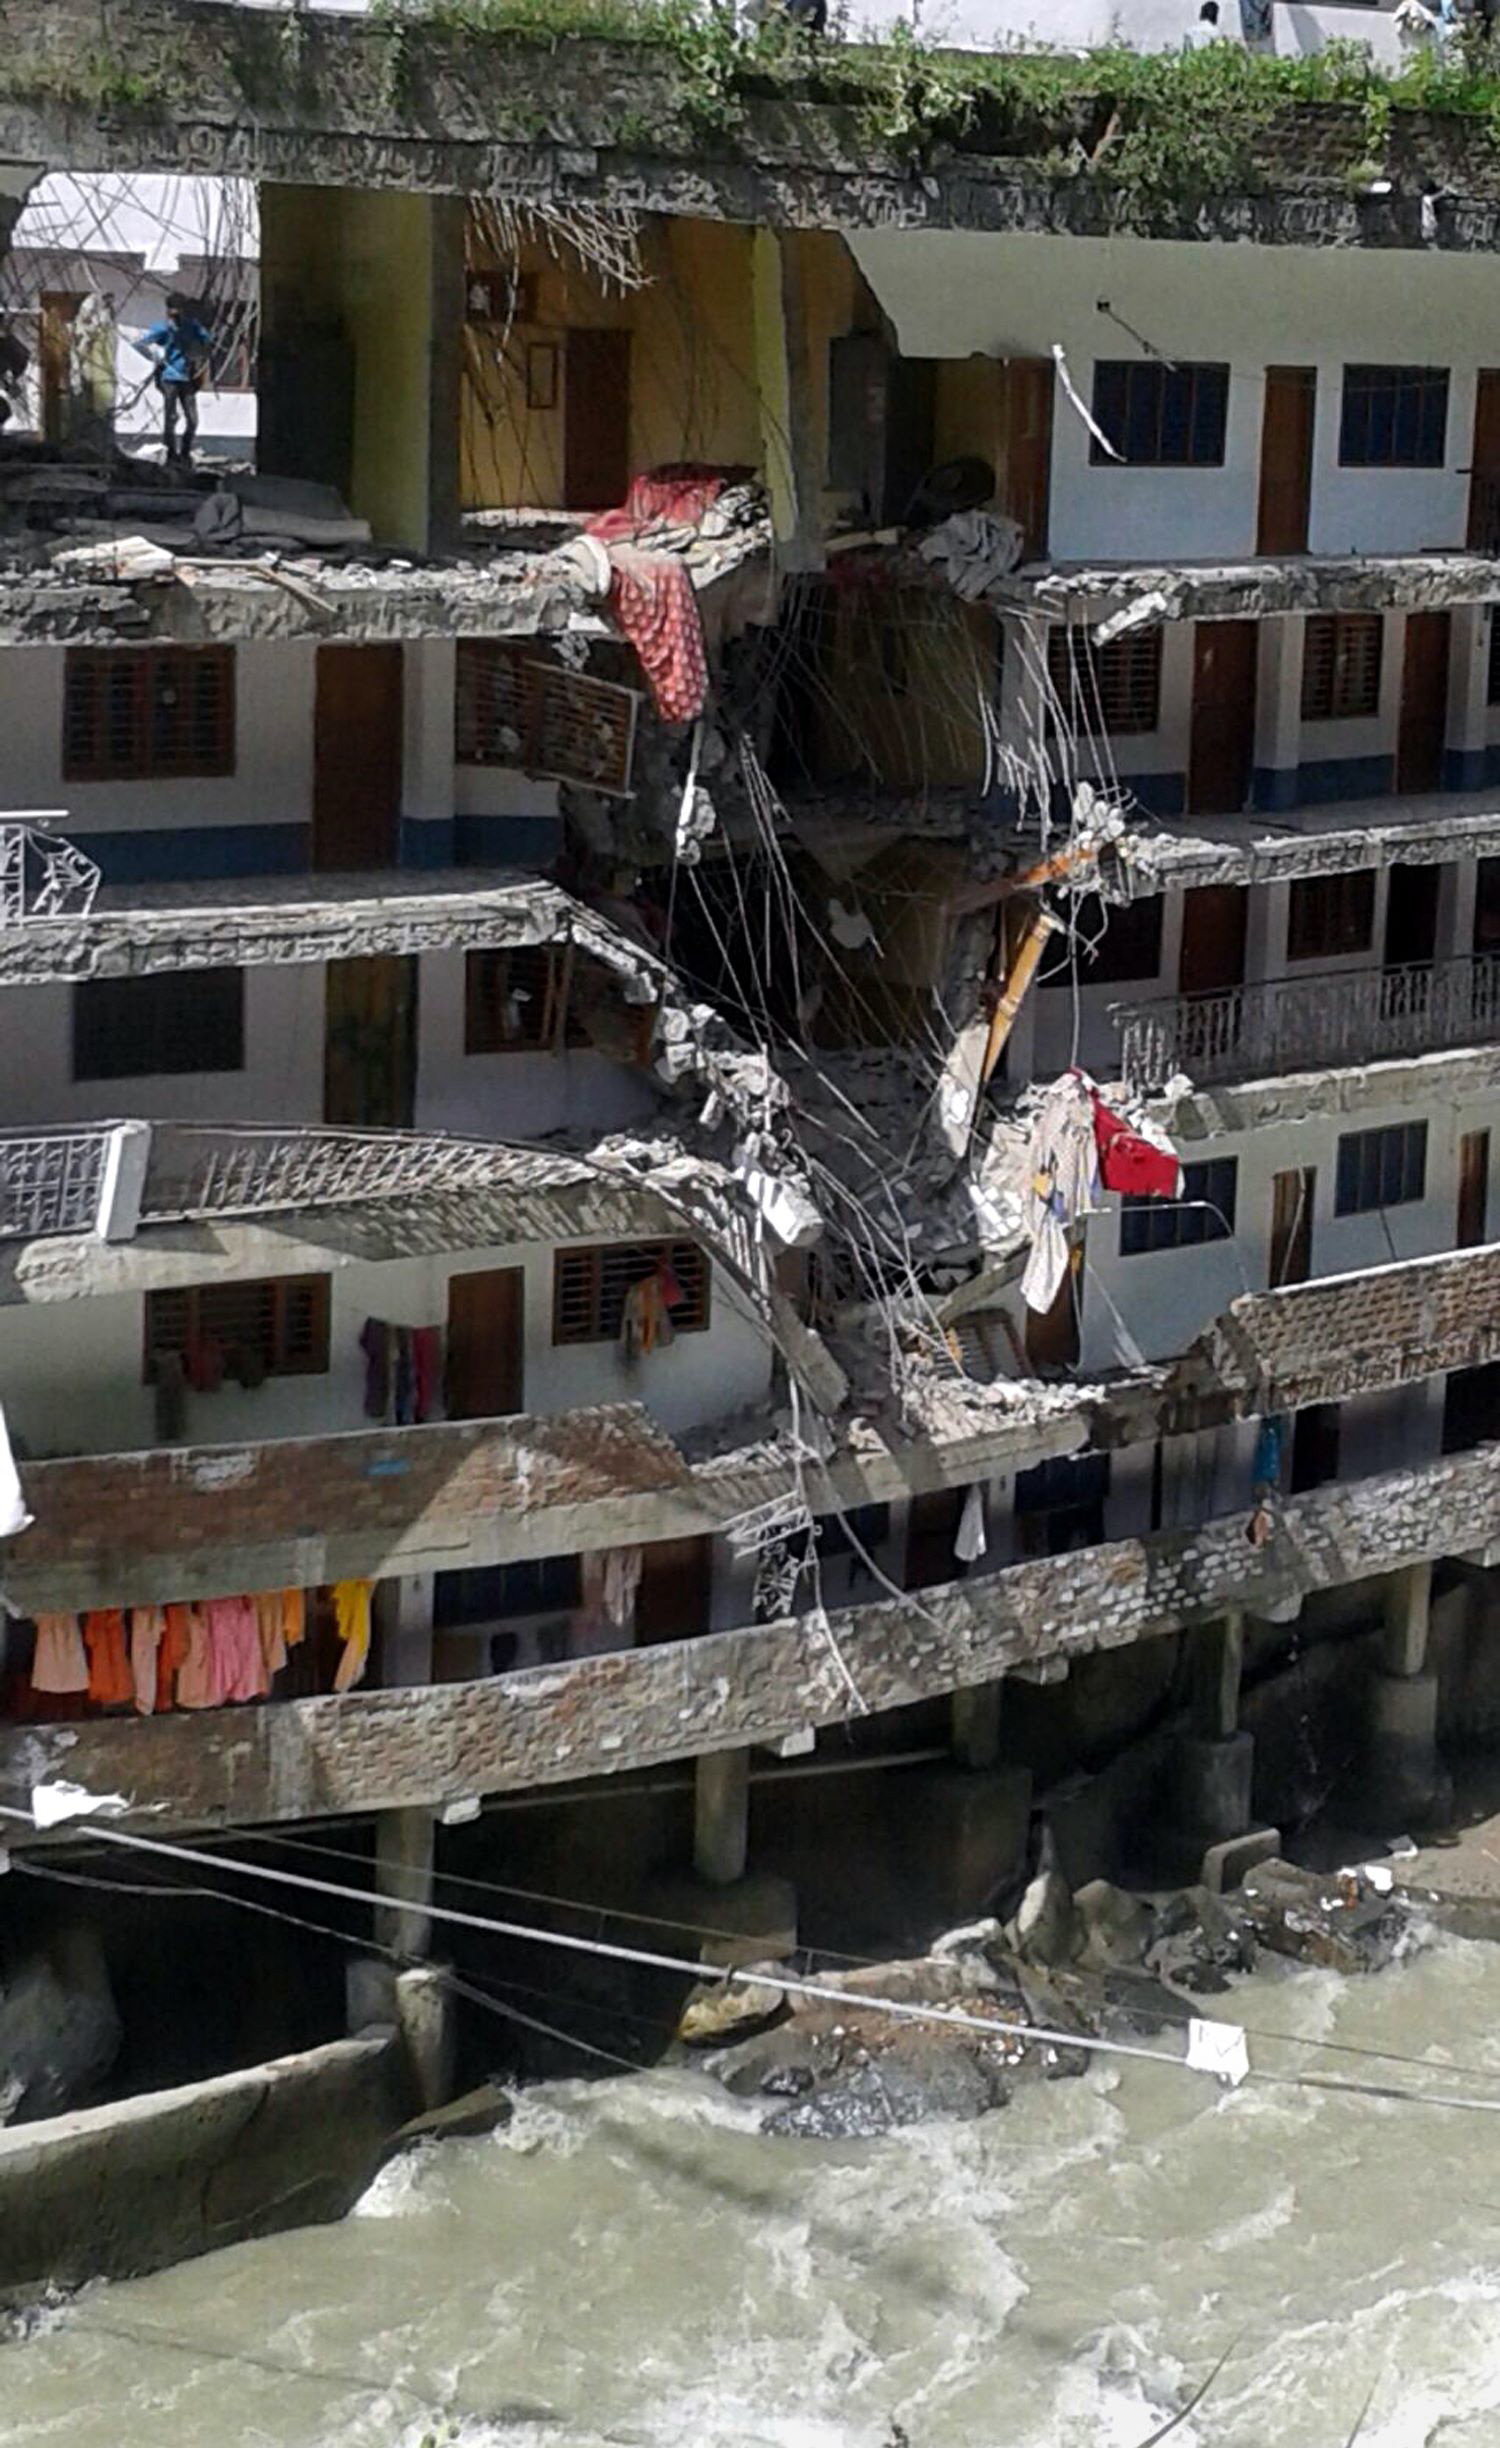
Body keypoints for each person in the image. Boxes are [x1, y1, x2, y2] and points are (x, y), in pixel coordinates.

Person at [132, 294, 212, 467]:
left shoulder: (192, 327)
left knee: (193, 420)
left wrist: (197, 356)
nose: (175, 318)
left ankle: (185, 452)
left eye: (178, 314)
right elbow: (138, 344)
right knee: (171, 416)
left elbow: (207, 342)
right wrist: (154, 356)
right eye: (172, 314)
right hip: (168, 378)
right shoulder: (163, 329)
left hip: (188, 377)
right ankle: (171, 454)